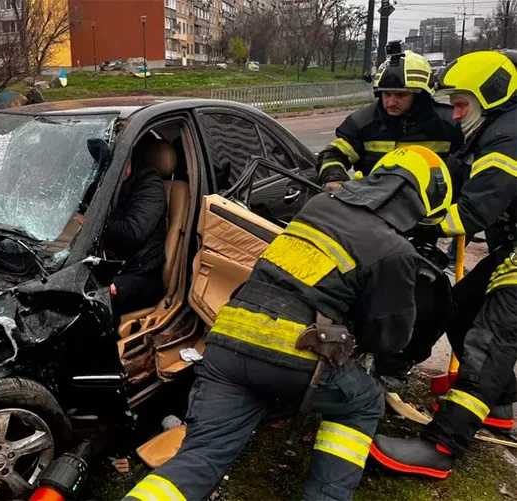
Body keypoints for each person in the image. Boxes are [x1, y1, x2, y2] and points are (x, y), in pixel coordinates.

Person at [122, 145, 453, 501]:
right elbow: (389, 337)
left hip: (227, 344)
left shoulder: (320, 206)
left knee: (203, 453)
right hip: (295, 356)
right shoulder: (395, 250)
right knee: (363, 401)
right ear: (423, 200)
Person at [371, 50, 517, 479]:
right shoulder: (496, 130)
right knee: (460, 309)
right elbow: (456, 171)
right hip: (510, 252)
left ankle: (440, 446)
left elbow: (473, 211)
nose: (453, 116)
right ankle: (499, 406)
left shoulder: (509, 138)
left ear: (487, 96)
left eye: (459, 104)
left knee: (488, 345)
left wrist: (413, 223)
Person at [317, 49, 463, 191]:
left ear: (420, 96)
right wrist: (334, 179)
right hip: (373, 205)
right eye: (387, 94)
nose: (391, 102)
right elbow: (333, 155)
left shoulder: (450, 124)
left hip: (432, 208)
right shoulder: (362, 122)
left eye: (400, 95)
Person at [105, 134, 169, 317]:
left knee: (97, 299)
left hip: (142, 272)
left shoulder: (149, 183)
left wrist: (91, 225)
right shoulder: (101, 183)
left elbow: (134, 232)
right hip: (109, 263)